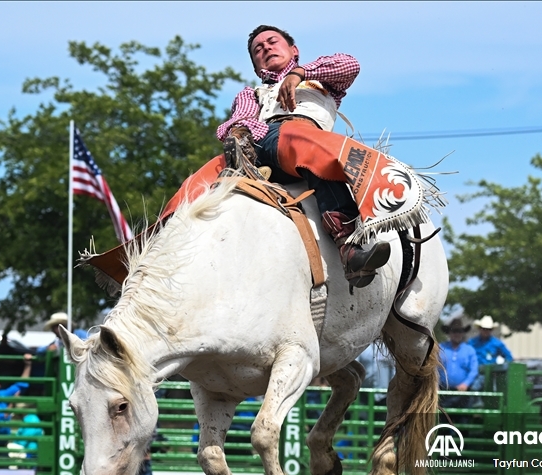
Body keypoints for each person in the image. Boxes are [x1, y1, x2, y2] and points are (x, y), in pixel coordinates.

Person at [154, 25, 392, 288]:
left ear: (294, 50)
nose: (266, 48)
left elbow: (349, 65)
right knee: (197, 181)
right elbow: (241, 116)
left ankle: (349, 248)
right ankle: (157, 249)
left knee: (312, 146)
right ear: (257, 67)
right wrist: (240, 131)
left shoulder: (321, 81)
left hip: (300, 136)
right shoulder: (252, 93)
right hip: (256, 141)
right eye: (258, 49)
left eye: (272, 42)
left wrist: (298, 74)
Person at [438, 317, 478, 410]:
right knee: (443, 421)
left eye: (459, 331)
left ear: (463, 333)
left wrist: (466, 383)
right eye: (454, 331)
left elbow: (474, 370)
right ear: (449, 333)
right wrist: (435, 385)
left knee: (463, 421)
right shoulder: (440, 348)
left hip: (463, 394)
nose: (457, 334)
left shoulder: (469, 350)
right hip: (443, 393)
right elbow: (434, 368)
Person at [468, 315, 513, 391]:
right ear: (480, 329)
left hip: (490, 375)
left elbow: (508, 357)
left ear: (491, 330)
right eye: (484, 329)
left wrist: (500, 368)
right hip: (473, 373)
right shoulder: (472, 342)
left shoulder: (497, 343)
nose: (486, 331)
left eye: (488, 329)